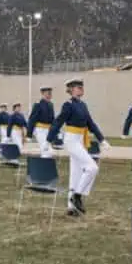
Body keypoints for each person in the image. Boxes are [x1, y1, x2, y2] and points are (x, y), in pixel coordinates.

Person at [48, 77, 109, 216]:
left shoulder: (83, 105)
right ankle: (77, 196)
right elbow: (58, 122)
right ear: (71, 90)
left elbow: (91, 123)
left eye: (82, 86)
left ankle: (71, 208)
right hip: (71, 139)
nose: (81, 89)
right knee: (92, 167)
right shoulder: (68, 105)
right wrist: (48, 140)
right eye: (78, 87)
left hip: (80, 139)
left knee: (75, 174)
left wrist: (102, 139)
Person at [27, 86, 56, 157]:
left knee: (50, 151)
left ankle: (45, 165)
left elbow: (52, 120)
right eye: (48, 93)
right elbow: (32, 119)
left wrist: (55, 131)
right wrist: (29, 134)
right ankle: (44, 166)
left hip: (48, 130)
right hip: (40, 130)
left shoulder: (51, 105)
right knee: (45, 150)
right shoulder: (38, 104)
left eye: (50, 93)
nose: (49, 95)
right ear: (42, 94)